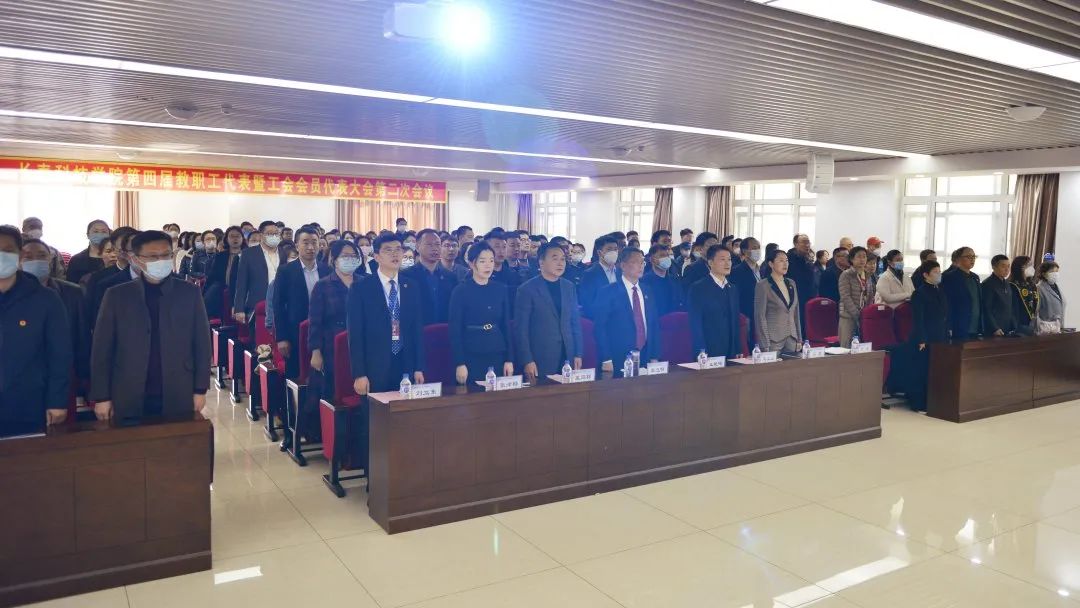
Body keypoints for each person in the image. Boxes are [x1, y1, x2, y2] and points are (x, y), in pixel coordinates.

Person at [90, 230, 211, 422]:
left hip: (178, 388)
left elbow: (202, 343)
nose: (160, 261)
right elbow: (102, 349)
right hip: (128, 389)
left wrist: (200, 389)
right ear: (136, 259)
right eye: (153, 257)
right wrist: (102, 397)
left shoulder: (189, 293)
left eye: (165, 255)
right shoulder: (116, 296)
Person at [0, 226, 72, 436]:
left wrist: (57, 401)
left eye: (7, 250)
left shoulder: (45, 299)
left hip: (28, 403)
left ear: (20, 254)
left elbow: (60, 355)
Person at [347, 234, 425, 397]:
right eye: (388, 250)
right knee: (377, 411)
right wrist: (359, 374)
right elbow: (355, 334)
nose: (395, 254)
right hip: (375, 365)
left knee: (406, 410)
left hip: (406, 362)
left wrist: (419, 367)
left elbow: (417, 329)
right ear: (376, 256)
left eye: (398, 249)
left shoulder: (411, 286)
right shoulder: (361, 288)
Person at [20, 238, 89, 397]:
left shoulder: (73, 293)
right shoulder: (8, 295)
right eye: (28, 257)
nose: (35, 261)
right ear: (18, 261)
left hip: (63, 374)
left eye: (41, 256)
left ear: (51, 260)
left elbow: (82, 337)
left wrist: (84, 377)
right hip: (19, 377)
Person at [514, 242, 583, 383]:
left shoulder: (569, 287)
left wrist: (578, 353)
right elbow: (521, 330)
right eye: (555, 258)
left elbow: (575, 323)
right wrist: (527, 360)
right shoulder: (527, 289)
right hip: (540, 356)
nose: (560, 263)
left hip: (567, 354)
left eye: (563, 259)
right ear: (541, 262)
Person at [448, 242, 514, 385]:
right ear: (472, 264)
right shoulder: (460, 291)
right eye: (482, 261)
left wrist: (509, 359)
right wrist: (460, 363)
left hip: (497, 349)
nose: (488, 265)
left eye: (491, 260)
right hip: (471, 351)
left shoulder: (500, 289)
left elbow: (506, 326)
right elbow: (455, 330)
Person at [272, 226, 330, 378]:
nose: (311, 247)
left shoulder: (327, 270)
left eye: (314, 242)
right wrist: (282, 338)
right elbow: (278, 306)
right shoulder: (286, 271)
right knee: (296, 375)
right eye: (305, 242)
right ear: (297, 245)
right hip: (295, 332)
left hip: (323, 332)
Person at [593, 247, 661, 375]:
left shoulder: (647, 290)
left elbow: (653, 324)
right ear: (623, 266)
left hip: (645, 354)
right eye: (635, 262)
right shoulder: (608, 292)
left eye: (642, 262)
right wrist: (606, 358)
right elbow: (600, 328)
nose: (640, 266)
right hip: (618, 356)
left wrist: (654, 355)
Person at [309, 240, 362, 400]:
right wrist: (316, 352)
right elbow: (315, 322)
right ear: (334, 260)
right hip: (332, 345)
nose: (350, 259)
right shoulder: (322, 286)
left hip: (360, 344)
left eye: (354, 256)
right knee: (335, 390)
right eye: (345, 256)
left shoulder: (364, 282)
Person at [904, 261, 949, 411]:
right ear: (925, 275)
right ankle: (918, 403)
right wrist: (922, 338)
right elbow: (918, 319)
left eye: (939, 271)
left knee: (935, 370)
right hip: (924, 337)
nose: (939, 274)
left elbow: (945, 314)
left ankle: (933, 401)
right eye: (935, 272)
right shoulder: (919, 293)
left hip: (939, 335)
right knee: (922, 371)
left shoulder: (940, 290)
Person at [689, 245, 742, 359]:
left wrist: (738, 348)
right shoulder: (698, 288)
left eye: (729, 259)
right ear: (710, 262)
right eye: (722, 259)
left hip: (730, 351)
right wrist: (701, 351)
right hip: (708, 351)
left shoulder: (732, 288)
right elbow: (695, 323)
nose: (727, 263)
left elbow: (735, 321)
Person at [232, 221, 285, 333]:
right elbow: (241, 283)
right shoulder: (248, 254)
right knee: (260, 341)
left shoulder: (283, 252)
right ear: (261, 235)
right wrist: (239, 309)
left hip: (281, 304)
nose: (274, 236)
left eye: (276, 233)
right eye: (270, 234)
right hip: (258, 306)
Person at [403, 228, 459, 325]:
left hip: (444, 330)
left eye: (437, 244)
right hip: (417, 330)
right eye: (429, 244)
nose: (434, 248)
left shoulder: (450, 277)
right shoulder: (406, 276)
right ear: (417, 247)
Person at [754, 249, 803, 353]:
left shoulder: (791, 283)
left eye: (787, 260)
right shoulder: (763, 285)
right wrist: (764, 343)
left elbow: (796, 312)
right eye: (781, 260)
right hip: (773, 340)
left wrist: (799, 338)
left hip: (792, 338)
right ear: (771, 264)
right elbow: (760, 316)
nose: (785, 264)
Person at [204, 226, 246, 319]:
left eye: (238, 236)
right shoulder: (220, 256)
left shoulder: (247, 255)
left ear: (242, 238)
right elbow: (212, 277)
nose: (235, 239)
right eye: (232, 236)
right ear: (226, 239)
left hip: (242, 288)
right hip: (222, 287)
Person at [838, 246, 876, 347]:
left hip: (863, 317)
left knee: (863, 347)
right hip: (848, 316)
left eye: (864, 256)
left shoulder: (867, 275)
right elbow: (845, 297)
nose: (862, 259)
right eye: (859, 257)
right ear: (852, 259)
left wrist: (867, 313)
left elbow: (870, 296)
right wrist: (857, 314)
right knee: (846, 347)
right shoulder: (846, 275)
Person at [942, 247, 981, 340]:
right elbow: (947, 303)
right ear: (959, 259)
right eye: (969, 256)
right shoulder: (949, 277)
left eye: (974, 256)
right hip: (958, 325)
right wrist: (949, 326)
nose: (972, 259)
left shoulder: (975, 277)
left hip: (975, 326)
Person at [579, 234, 622, 318]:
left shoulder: (621, 272)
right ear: (599, 252)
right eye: (609, 249)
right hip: (601, 319)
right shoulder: (589, 274)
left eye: (615, 249)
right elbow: (588, 304)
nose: (613, 252)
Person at [730, 237, 763, 341]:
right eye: (754, 248)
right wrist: (742, 317)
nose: (757, 250)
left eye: (758, 247)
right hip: (747, 316)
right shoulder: (736, 271)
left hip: (761, 316)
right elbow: (735, 298)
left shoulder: (762, 270)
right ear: (744, 251)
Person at [786, 233, 817, 332]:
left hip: (808, 298)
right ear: (796, 244)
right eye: (804, 242)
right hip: (795, 299)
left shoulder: (808, 259)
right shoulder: (788, 259)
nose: (807, 245)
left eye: (808, 242)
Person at [66, 219, 112, 285]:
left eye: (104, 232)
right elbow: (71, 285)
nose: (100, 234)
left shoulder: (114, 257)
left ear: (109, 234)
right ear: (88, 235)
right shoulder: (76, 259)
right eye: (95, 231)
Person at [641, 243, 683, 316]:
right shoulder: (644, 281)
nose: (666, 258)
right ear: (652, 259)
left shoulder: (675, 280)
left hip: (673, 320)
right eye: (662, 256)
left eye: (667, 256)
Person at [982, 254, 1018, 337]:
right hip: (995, 330)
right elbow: (986, 309)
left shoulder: (1007, 283)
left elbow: (1010, 306)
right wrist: (995, 328)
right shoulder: (987, 284)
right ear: (994, 267)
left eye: (1008, 266)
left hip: (1007, 327)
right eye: (1003, 266)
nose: (1007, 269)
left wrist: (1014, 324)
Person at [1009, 256, 1039, 336]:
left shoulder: (1031, 285)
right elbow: (1013, 308)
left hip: (1032, 323)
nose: (1032, 268)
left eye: (1032, 265)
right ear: (1020, 267)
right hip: (1019, 325)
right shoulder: (1012, 285)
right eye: (1029, 265)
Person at [1037, 261, 1065, 331]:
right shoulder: (1038, 289)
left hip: (1057, 329)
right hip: (1045, 330)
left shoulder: (1056, 288)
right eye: (1052, 271)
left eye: (1057, 271)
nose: (1056, 274)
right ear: (1043, 274)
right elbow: (1035, 312)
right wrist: (1041, 327)